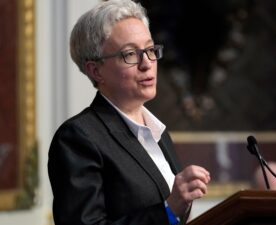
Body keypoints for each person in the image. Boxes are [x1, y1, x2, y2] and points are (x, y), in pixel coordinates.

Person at [47, 1, 210, 225]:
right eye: (130, 54)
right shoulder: (77, 138)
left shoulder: (158, 133)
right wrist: (168, 211)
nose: (147, 63)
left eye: (150, 50)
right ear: (96, 70)